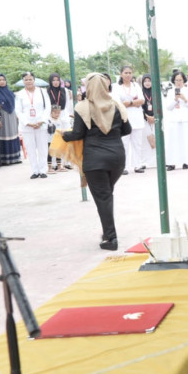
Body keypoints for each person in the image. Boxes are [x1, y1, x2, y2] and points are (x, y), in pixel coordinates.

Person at [63, 73, 132, 251]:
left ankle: (111, 238)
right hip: (117, 159)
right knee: (106, 196)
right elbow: (127, 129)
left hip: (95, 160)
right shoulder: (116, 105)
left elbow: (77, 133)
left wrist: (64, 135)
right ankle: (107, 232)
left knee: (103, 197)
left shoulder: (83, 107)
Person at [15, 71, 50, 179]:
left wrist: (42, 120)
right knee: (30, 148)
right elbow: (18, 111)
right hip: (27, 125)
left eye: (30, 79)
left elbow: (47, 107)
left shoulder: (43, 92)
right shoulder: (19, 94)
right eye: (26, 79)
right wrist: (28, 123)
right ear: (23, 81)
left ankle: (43, 170)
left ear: (34, 80)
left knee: (43, 147)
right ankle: (35, 170)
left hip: (41, 124)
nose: (28, 81)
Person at [113, 66, 148, 174]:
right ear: (121, 74)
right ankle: (124, 167)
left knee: (137, 143)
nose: (128, 75)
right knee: (124, 143)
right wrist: (133, 103)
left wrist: (130, 103)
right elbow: (118, 103)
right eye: (126, 72)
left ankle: (137, 165)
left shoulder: (136, 85)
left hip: (137, 118)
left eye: (130, 72)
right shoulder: (117, 87)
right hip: (124, 119)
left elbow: (142, 100)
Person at [163, 71, 188, 170]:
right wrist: (175, 100)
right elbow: (168, 107)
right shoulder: (170, 91)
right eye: (176, 80)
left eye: (180, 80)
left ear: (184, 80)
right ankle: (172, 163)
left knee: (186, 140)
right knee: (174, 141)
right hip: (175, 119)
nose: (178, 82)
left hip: (186, 119)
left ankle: (186, 161)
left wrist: (184, 99)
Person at [0, 74, 21, 165]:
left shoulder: (10, 92)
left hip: (12, 115)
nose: (2, 81)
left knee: (13, 134)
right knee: (3, 134)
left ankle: (15, 158)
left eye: (3, 79)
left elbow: (15, 104)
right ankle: (4, 159)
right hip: (2, 116)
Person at [46, 105, 71, 173]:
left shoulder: (60, 120)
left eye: (58, 113)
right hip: (50, 140)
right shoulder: (48, 120)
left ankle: (59, 166)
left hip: (58, 139)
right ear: (51, 112)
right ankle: (49, 167)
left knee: (59, 152)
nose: (57, 114)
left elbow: (61, 129)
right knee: (50, 153)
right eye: (55, 113)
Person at [140, 74, 157, 169]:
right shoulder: (140, 92)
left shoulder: (156, 92)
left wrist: (155, 116)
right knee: (145, 140)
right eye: (145, 81)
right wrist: (147, 117)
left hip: (156, 119)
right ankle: (144, 162)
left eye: (149, 81)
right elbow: (139, 107)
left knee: (156, 139)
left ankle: (155, 161)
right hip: (144, 119)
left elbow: (160, 105)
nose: (147, 83)